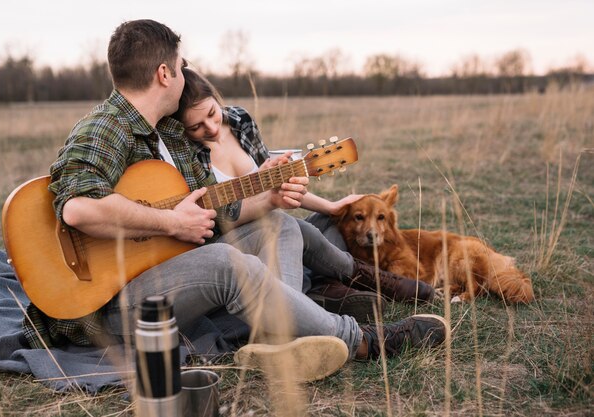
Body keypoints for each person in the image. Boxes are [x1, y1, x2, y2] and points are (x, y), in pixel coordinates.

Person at [22, 19, 446, 382]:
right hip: (104, 306)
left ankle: (277, 342)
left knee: (277, 226)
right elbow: (77, 208)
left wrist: (271, 196)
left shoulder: (169, 134)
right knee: (228, 265)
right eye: (183, 66)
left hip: (160, 274)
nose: (187, 74)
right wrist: (171, 224)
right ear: (166, 73)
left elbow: (221, 210)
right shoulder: (106, 127)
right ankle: (362, 340)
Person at [173, 67, 435, 315]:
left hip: (276, 227)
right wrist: (264, 199)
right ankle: (340, 284)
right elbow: (216, 218)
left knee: (335, 223)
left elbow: (274, 183)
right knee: (285, 225)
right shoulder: (183, 150)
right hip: (241, 241)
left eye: (211, 113)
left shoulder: (240, 121)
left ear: (216, 98)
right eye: (195, 127)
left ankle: (318, 290)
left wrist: (331, 207)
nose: (210, 127)